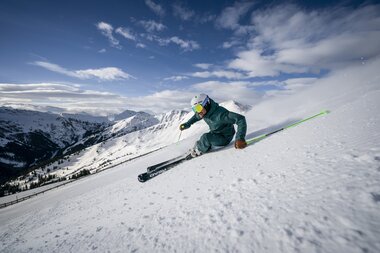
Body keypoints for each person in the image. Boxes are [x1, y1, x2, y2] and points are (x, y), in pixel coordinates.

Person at [180, 94, 247, 158]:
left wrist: (240, 138)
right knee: (204, 138)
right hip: (216, 133)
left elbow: (240, 119)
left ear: (206, 104)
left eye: (198, 108)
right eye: (195, 109)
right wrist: (187, 124)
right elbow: (196, 117)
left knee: (206, 137)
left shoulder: (221, 114)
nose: (197, 112)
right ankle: (201, 146)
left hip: (225, 137)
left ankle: (198, 150)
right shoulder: (204, 112)